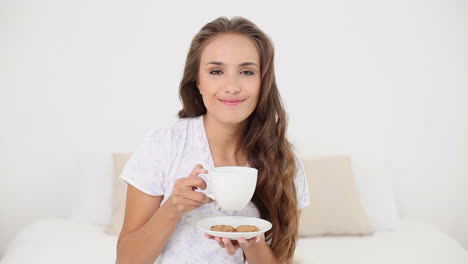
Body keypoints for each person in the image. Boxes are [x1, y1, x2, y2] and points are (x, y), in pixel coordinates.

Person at [115, 16, 310, 264]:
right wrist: (173, 208)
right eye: (216, 71)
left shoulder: (283, 160)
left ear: (264, 82)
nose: (232, 86)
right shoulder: (163, 144)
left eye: (247, 72)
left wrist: (252, 241)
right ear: (198, 81)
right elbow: (126, 260)